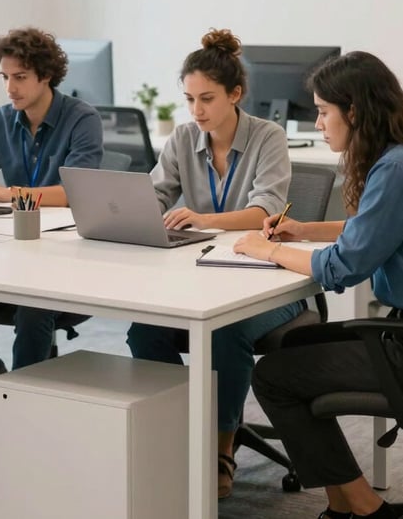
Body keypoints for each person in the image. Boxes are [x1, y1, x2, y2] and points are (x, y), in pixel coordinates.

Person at [233, 51, 403, 519]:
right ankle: (340, 505)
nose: (317, 122)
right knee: (298, 343)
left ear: (354, 111)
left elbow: (342, 269)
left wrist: (265, 249)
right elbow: (376, 229)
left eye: (323, 111)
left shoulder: (396, 169)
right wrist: (305, 230)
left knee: (273, 377)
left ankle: (368, 509)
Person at [125, 28, 302, 499]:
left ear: (235, 94)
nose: (196, 110)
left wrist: (202, 218)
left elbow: (265, 212)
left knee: (225, 333)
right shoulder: (184, 138)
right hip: (203, 275)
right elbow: (154, 195)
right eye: (188, 99)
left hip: (271, 281)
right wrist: (121, 210)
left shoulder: (269, 137)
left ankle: (221, 447)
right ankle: (180, 430)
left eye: (206, 98)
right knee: (144, 330)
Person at [0, 27, 104, 440]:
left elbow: (76, 193)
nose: (10, 88)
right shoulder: (2, 120)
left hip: (66, 257)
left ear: (45, 76)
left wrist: (11, 194)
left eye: (20, 77)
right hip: (11, 252)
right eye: (5, 77)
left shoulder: (82, 120)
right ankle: (1, 388)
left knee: (34, 304)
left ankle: (22, 408)